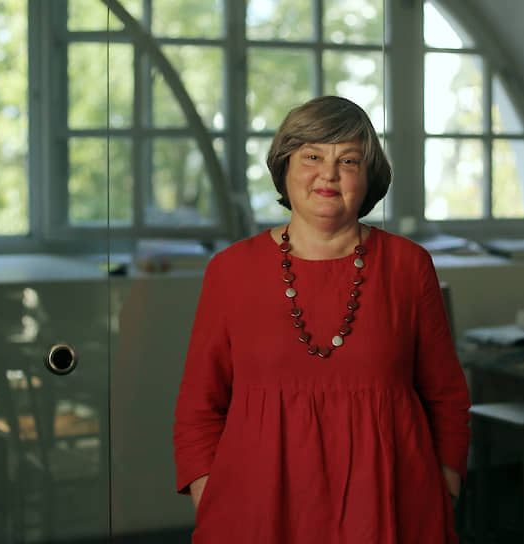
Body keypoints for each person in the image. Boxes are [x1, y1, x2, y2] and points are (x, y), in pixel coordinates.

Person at [173, 95, 471, 543]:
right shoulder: (231, 271)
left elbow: (446, 396)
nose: (328, 174)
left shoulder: (409, 266)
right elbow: (198, 406)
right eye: (312, 156)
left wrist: (443, 490)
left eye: (348, 160)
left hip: (391, 508)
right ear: (285, 167)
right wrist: (212, 498)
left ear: (368, 177)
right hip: (256, 514)